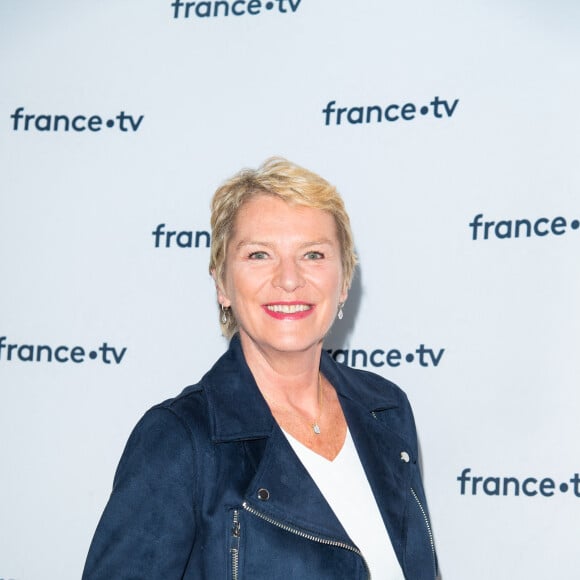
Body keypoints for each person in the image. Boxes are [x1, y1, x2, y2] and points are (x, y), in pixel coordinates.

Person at [82, 157, 438, 579]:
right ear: (221, 284)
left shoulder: (387, 410)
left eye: (313, 254)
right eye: (259, 254)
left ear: (343, 281)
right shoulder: (180, 440)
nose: (289, 279)